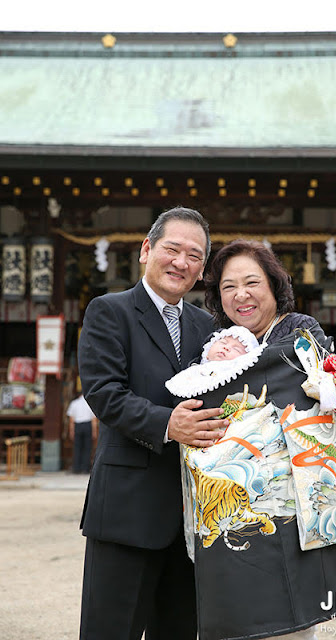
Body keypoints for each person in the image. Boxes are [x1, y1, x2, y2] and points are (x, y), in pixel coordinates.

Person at [77, 207, 229, 640]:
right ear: (147, 250)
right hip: (127, 511)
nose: (182, 262)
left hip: (192, 521)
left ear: (202, 270)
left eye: (194, 256)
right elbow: (104, 393)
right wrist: (169, 424)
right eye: (172, 249)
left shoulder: (208, 327)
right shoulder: (110, 311)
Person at [199, 239, 336, 640]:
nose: (241, 295)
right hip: (239, 498)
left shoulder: (300, 330)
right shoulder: (217, 344)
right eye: (228, 287)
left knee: (296, 623)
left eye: (252, 282)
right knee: (240, 613)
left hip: (297, 499)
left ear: (273, 285)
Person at [165, 325, 267, 398]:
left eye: (236, 349)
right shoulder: (196, 369)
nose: (226, 348)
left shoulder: (238, 379)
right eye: (223, 342)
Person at [66, 391, 97, 474]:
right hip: (87, 425)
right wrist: (94, 431)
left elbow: (71, 420)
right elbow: (94, 419)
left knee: (77, 447)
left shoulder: (74, 403)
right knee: (87, 447)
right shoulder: (89, 403)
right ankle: (85, 468)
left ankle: (76, 468)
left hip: (78, 425)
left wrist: (71, 431)